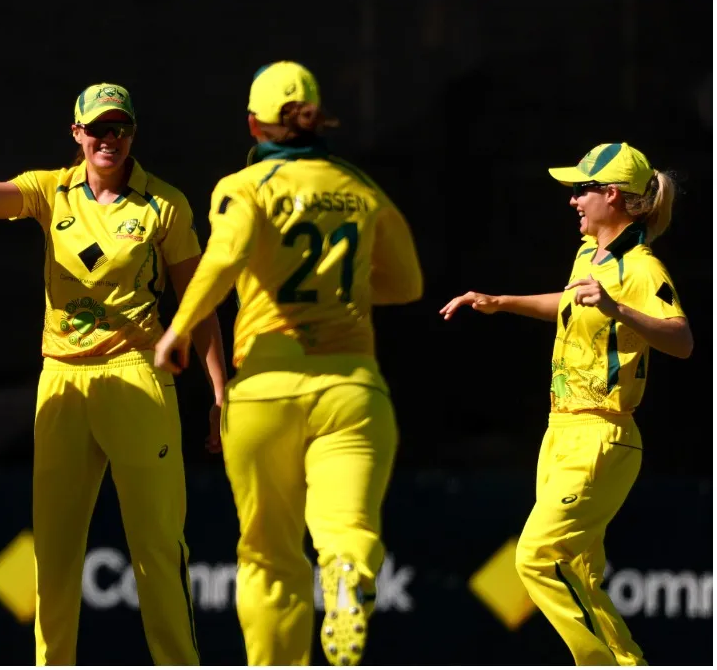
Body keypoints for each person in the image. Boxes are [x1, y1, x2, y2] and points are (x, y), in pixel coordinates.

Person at [0, 82, 228, 665]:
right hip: (61, 377)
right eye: (98, 128)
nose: (110, 139)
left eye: (120, 128)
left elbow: (197, 303)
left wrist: (218, 392)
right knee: (53, 552)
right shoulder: (51, 189)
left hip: (135, 375)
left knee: (157, 547)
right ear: (77, 132)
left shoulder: (164, 204)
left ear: (132, 133)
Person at [156, 61, 423, 667]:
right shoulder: (359, 187)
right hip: (352, 388)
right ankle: (348, 573)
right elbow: (407, 283)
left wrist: (178, 329)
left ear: (254, 124)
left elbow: (224, 257)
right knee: (345, 528)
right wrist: (342, 291)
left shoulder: (246, 186)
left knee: (267, 557)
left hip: (265, 388)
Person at [440, 143, 691, 665]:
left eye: (581, 189)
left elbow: (681, 340)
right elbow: (571, 304)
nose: (573, 200)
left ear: (611, 195)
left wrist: (618, 308)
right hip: (561, 430)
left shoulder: (642, 268)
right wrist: (501, 303)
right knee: (577, 571)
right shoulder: (588, 255)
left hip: (603, 433)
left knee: (536, 558)